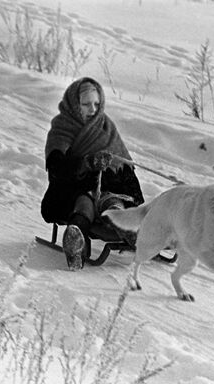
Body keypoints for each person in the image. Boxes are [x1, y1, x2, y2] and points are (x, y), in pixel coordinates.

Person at [41, 77, 144, 270]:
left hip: (111, 188)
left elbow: (124, 166)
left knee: (112, 201)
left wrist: (126, 186)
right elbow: (58, 169)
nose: (93, 110)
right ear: (74, 103)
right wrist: (87, 163)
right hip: (76, 188)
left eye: (97, 104)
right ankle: (75, 242)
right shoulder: (62, 129)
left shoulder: (106, 127)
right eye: (86, 104)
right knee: (84, 204)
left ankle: (124, 224)